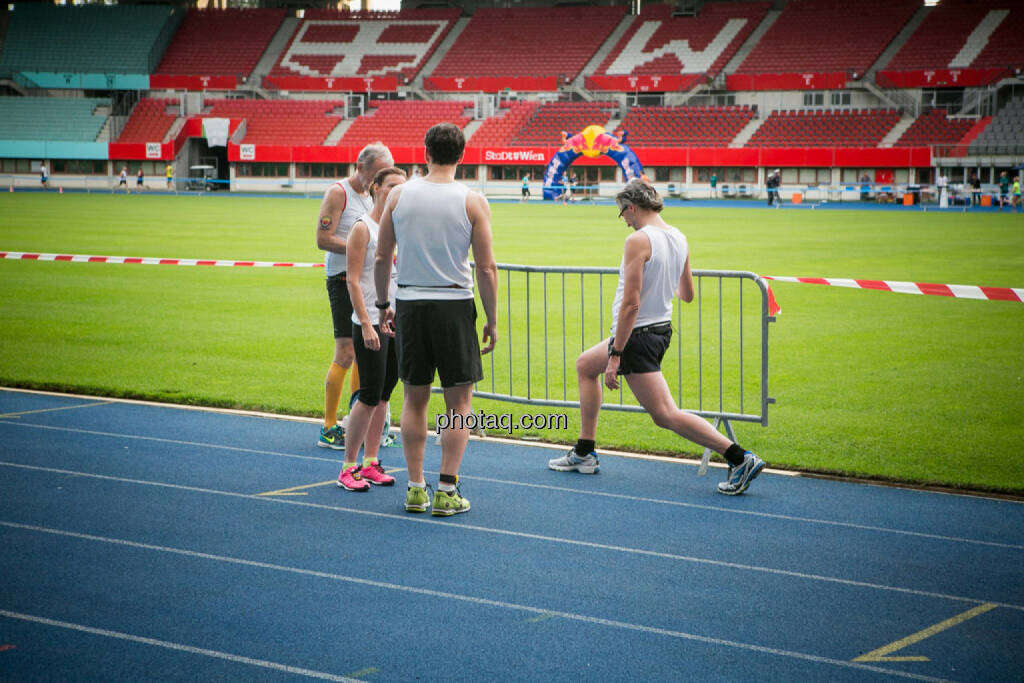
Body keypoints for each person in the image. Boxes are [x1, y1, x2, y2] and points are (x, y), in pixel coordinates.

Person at [548, 180, 767, 496]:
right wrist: (661, 284)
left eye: (622, 212)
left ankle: (739, 457)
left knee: (666, 415)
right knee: (585, 365)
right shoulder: (679, 236)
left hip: (636, 336)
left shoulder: (637, 240)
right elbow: (687, 294)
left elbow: (631, 303)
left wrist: (615, 354)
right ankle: (585, 452)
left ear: (632, 207)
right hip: (659, 330)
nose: (623, 219)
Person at [374, 122, 498, 516]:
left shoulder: (397, 196)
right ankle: (446, 488)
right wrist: (492, 320)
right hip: (454, 304)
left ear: (425, 152)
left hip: (409, 301)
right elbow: (486, 267)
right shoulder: (473, 200)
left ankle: (415, 488)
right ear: (462, 156)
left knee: (414, 399)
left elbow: (381, 257)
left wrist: (382, 304)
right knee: (459, 402)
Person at [316, 142, 395, 451]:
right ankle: (328, 426)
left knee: (368, 353)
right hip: (342, 279)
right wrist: (357, 247)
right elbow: (322, 238)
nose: (379, 182)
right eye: (377, 174)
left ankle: (356, 423)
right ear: (361, 167)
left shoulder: (370, 196)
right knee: (346, 352)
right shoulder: (339, 193)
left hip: (367, 283)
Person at [336, 166, 407, 491]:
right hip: (368, 323)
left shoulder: (402, 228)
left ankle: (371, 462)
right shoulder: (363, 228)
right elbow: (351, 279)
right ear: (375, 188)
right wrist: (366, 322)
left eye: (401, 187)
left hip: (395, 322)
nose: (395, 191)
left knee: (383, 396)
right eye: (390, 185)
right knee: (367, 395)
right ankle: (348, 466)